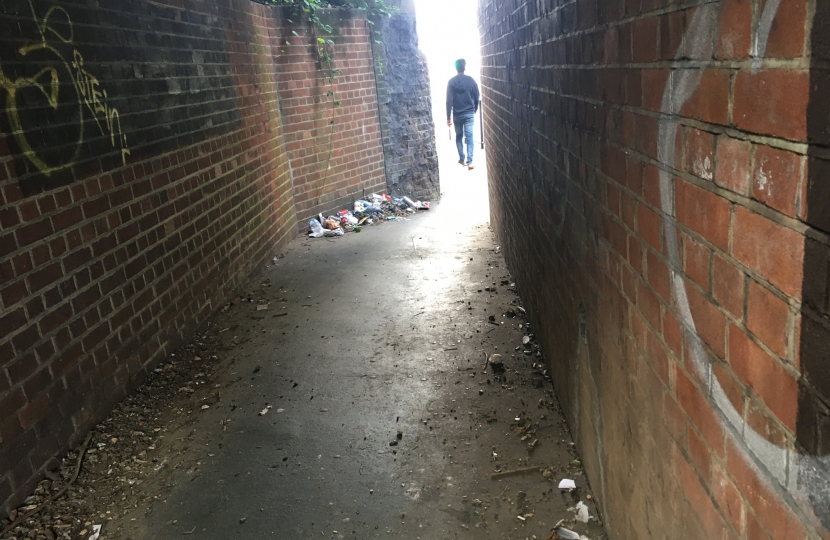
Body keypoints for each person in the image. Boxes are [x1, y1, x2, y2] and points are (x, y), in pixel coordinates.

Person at [446, 59, 480, 170]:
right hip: (469, 112)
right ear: (464, 67)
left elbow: (449, 101)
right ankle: (470, 162)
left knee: (459, 136)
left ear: (456, 68)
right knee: (470, 136)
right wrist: (474, 109)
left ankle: (462, 159)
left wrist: (448, 117)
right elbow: (476, 96)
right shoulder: (471, 81)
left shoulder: (451, 82)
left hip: (457, 114)